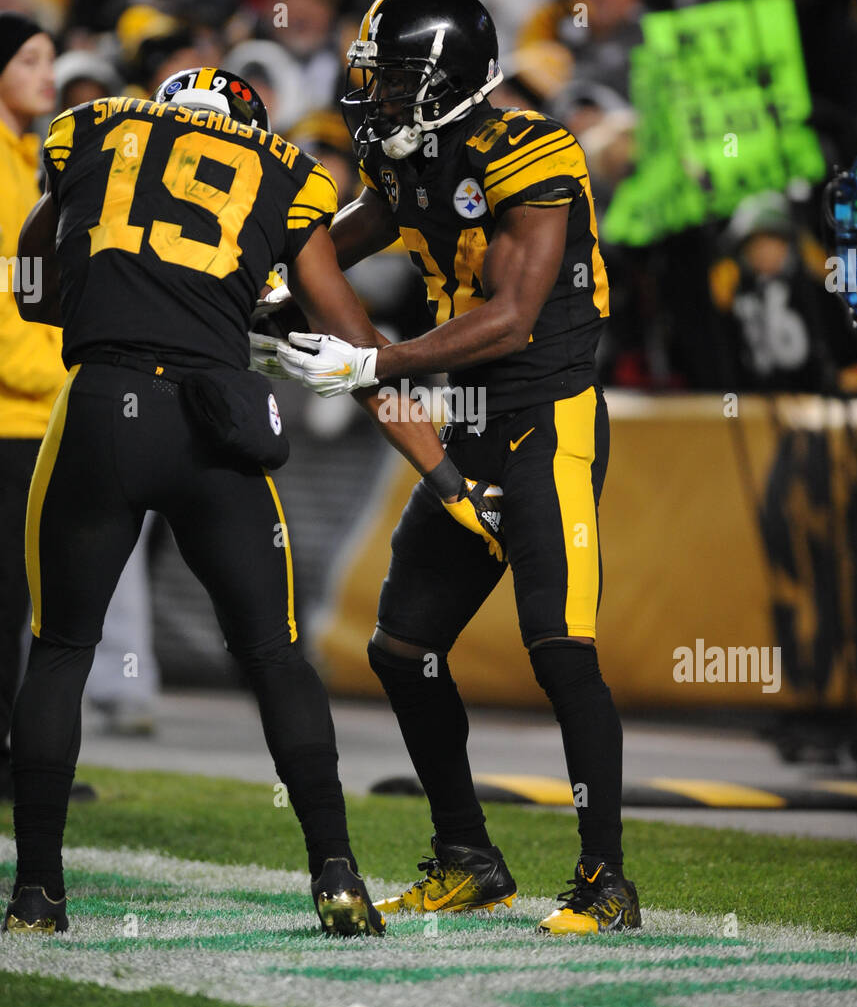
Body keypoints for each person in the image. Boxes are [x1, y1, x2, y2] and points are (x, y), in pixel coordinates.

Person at [4, 64, 502, 938]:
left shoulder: (95, 128)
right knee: (274, 656)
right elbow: (354, 339)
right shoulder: (286, 169)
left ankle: (37, 894)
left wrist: (123, 288)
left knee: (60, 651)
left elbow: (33, 289)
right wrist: (444, 475)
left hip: (102, 407)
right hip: (216, 420)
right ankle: (337, 878)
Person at [260, 0, 641, 935]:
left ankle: (606, 879)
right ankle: (468, 855)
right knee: (403, 646)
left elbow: (511, 319)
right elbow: (332, 244)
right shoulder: (406, 156)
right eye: (373, 76)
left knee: (559, 650)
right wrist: (264, 286)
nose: (376, 95)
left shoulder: (532, 149)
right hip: (468, 423)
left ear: (453, 81)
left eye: (395, 78)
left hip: (545, 417)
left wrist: (370, 361)